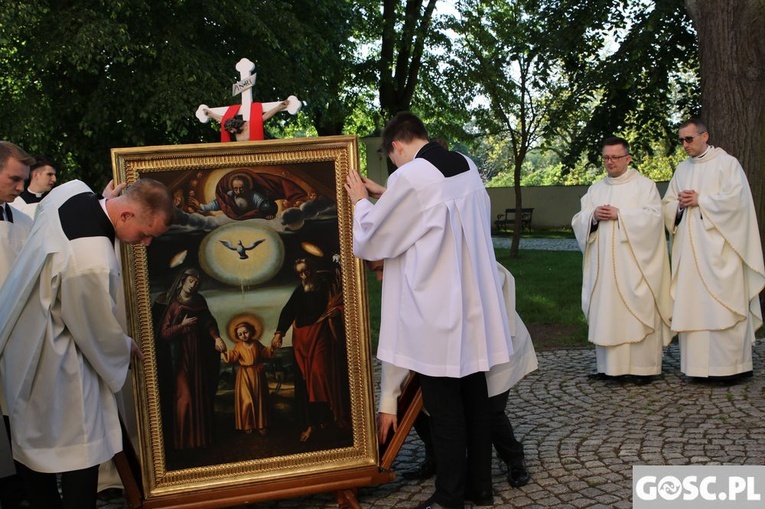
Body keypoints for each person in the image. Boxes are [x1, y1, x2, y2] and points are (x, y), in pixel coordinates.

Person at [345, 111, 515, 509]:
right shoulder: (464, 165)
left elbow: (372, 240)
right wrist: (387, 193)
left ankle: (449, 497)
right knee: (474, 397)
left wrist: (359, 202)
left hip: (438, 310)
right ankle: (480, 488)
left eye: (393, 160)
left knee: (444, 407)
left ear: (397, 146)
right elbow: (432, 213)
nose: (396, 168)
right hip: (472, 306)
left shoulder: (411, 176)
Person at [0, 177, 173, 509]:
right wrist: (123, 347)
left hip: (22, 330)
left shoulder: (72, 192)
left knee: (32, 441)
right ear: (125, 216)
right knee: (83, 445)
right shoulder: (91, 259)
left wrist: (103, 198)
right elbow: (92, 327)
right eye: (145, 233)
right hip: (54, 354)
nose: (146, 243)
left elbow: (61, 202)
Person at [374, 260, 536, 491]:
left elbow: (500, 278)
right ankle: (436, 458)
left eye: (381, 269)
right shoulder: (410, 276)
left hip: (495, 342)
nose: (379, 279)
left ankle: (514, 458)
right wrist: (390, 400)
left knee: (489, 411)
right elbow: (396, 339)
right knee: (422, 407)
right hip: (452, 351)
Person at [662, 119, 765, 383]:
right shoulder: (682, 170)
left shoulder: (727, 164)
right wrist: (680, 207)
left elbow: (738, 203)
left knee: (724, 306)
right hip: (690, 255)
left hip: (721, 252)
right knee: (695, 305)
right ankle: (697, 368)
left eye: (689, 139)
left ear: (704, 135)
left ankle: (732, 367)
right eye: (681, 140)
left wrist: (702, 201)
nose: (685, 145)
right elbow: (668, 204)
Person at [571, 137, 672, 382]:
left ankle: (643, 369)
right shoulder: (596, 189)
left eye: (615, 157)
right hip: (604, 268)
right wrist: (593, 217)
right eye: (606, 157)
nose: (610, 162)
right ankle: (609, 368)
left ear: (627, 158)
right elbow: (579, 220)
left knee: (637, 310)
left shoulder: (644, 186)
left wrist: (621, 215)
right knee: (608, 312)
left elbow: (654, 219)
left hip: (636, 266)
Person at [270, 257, 349, 442]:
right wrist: (279, 332)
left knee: (319, 374)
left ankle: (331, 415)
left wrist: (338, 310)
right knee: (306, 381)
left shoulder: (326, 287)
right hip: (301, 341)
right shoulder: (299, 291)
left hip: (320, 334)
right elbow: (288, 311)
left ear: (312, 270)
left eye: (306, 271)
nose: (304, 275)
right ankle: (316, 421)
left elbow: (344, 302)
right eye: (300, 273)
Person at [156, 267, 227, 449]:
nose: (194, 285)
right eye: (191, 281)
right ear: (183, 280)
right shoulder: (170, 302)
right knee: (185, 397)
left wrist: (216, 338)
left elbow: (207, 322)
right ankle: (181, 441)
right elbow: (163, 334)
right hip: (178, 356)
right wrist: (182, 325)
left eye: (197, 283)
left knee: (198, 395)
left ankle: (199, 441)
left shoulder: (199, 301)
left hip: (198, 351)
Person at [0, 141, 35, 509]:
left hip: (17, 341)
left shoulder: (24, 221)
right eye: (14, 179)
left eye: (24, 180)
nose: (21, 188)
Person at [221, 320, 275, 435]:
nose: (243, 336)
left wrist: (272, 347)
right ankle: (247, 424)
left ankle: (261, 425)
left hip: (257, 374)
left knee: (258, 399)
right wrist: (224, 352)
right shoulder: (239, 346)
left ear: (251, 331)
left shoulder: (256, 343)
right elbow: (233, 357)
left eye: (245, 332)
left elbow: (265, 352)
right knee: (247, 400)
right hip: (244, 376)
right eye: (240, 334)